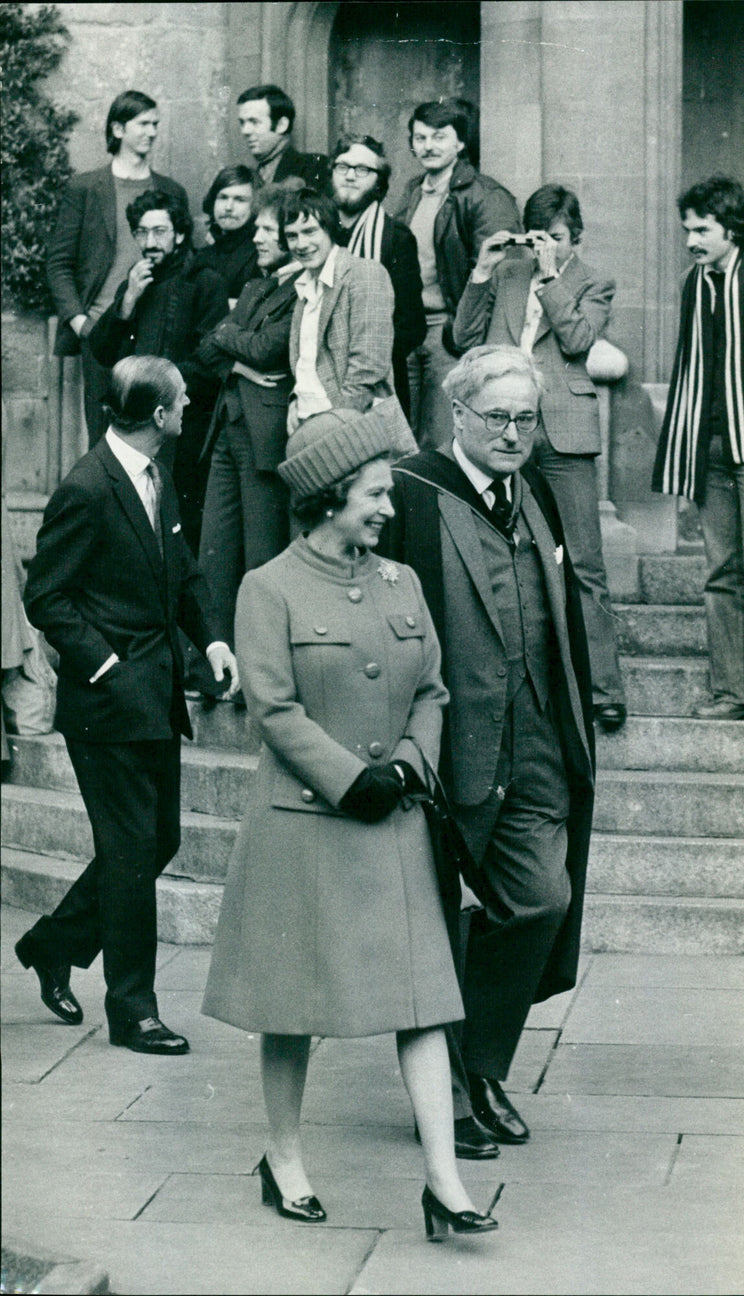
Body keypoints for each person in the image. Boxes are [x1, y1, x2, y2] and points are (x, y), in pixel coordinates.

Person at [202, 400, 499, 1239]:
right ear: (332, 496)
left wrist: (409, 761)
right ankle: (284, 1158)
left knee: (424, 1002)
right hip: (306, 825)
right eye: (375, 494)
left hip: (396, 820)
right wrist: (349, 779)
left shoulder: (400, 581)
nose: (388, 508)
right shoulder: (268, 588)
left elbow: (434, 688)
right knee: (292, 1007)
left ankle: (444, 1182)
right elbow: (274, 708)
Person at [380, 345, 595, 1160]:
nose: (512, 432)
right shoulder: (409, 492)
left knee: (541, 897)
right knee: (430, 918)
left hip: (537, 737)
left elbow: (570, 606)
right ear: (457, 415)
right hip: (445, 743)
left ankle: (477, 1063)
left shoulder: (535, 491)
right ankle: (451, 1095)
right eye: (497, 416)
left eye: (526, 418)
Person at [16, 357, 238, 1055]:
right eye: (181, 399)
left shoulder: (156, 476)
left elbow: (186, 574)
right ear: (158, 414)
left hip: (156, 694)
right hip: (106, 703)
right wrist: (104, 663)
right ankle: (133, 1009)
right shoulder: (87, 487)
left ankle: (52, 945)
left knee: (156, 839)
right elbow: (45, 595)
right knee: (132, 848)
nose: (189, 403)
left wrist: (213, 640)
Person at [452, 184, 627, 731]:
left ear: (576, 237)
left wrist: (551, 281)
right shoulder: (507, 274)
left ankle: (603, 689)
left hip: (563, 432)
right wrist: (480, 273)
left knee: (582, 563)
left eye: (555, 238)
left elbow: (576, 340)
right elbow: (461, 337)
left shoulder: (593, 280)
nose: (543, 248)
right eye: (538, 239)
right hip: (504, 428)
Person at [652, 176, 744, 726]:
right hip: (708, 444)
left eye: (702, 229)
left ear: (732, 229)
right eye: (686, 228)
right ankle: (731, 691)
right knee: (721, 573)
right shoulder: (696, 283)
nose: (691, 238)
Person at [89, 190, 229, 553]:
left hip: (183, 430)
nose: (150, 242)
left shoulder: (204, 281)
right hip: (134, 425)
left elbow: (209, 363)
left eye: (160, 231)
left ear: (179, 234)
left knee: (176, 527)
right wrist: (127, 302)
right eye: (142, 232)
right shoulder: (136, 281)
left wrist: (151, 386)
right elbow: (102, 350)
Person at [46, 90, 189, 446]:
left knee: (159, 440)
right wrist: (81, 323)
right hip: (104, 334)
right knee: (105, 440)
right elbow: (58, 262)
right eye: (143, 124)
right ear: (118, 128)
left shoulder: (170, 190)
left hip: (157, 335)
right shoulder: (85, 188)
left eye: (156, 124)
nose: (152, 132)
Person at [195, 187, 303, 648]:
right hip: (229, 426)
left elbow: (267, 348)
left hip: (266, 437)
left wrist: (229, 339)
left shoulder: (302, 288)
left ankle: (260, 667)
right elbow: (206, 346)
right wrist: (238, 361)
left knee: (261, 556)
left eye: (266, 229)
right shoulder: (259, 285)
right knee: (213, 554)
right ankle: (218, 662)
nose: (256, 237)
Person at [394, 99, 521, 448]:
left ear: (460, 143)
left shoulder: (485, 196)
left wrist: (470, 337)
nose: (428, 146)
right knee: (402, 440)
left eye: (439, 137)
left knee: (444, 441)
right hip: (409, 331)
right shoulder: (412, 191)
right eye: (419, 138)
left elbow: (501, 275)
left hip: (450, 336)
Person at [281, 189, 395, 432]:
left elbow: (369, 367)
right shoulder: (302, 284)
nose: (301, 244)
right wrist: (296, 400)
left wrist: (338, 422)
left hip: (353, 425)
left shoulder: (364, 273)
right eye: (292, 236)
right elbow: (307, 361)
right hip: (307, 422)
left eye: (310, 231)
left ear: (330, 228)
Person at [329, 133, 426, 416]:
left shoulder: (395, 238)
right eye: (342, 167)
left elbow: (411, 326)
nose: (350, 176)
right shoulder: (315, 234)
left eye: (362, 170)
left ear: (379, 182)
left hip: (378, 383)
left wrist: (358, 356)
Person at [237, 84, 327, 191]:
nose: (245, 131)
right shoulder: (249, 177)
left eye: (254, 122)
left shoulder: (314, 167)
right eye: (242, 123)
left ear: (281, 125)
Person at [193, 164, 259, 302]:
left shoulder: (259, 255)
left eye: (239, 200)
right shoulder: (203, 255)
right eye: (223, 197)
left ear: (255, 206)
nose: (228, 207)